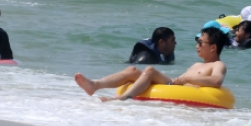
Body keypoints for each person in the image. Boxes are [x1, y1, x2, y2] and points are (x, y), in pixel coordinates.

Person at [74, 25, 227, 101]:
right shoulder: (196, 65)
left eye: (200, 42)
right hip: (175, 85)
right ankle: (95, 85)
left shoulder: (218, 65)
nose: (197, 46)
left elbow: (216, 80)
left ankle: (123, 98)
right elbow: (178, 82)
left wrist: (188, 79)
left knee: (150, 70)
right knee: (133, 70)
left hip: (184, 90)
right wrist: (184, 79)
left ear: (213, 47)